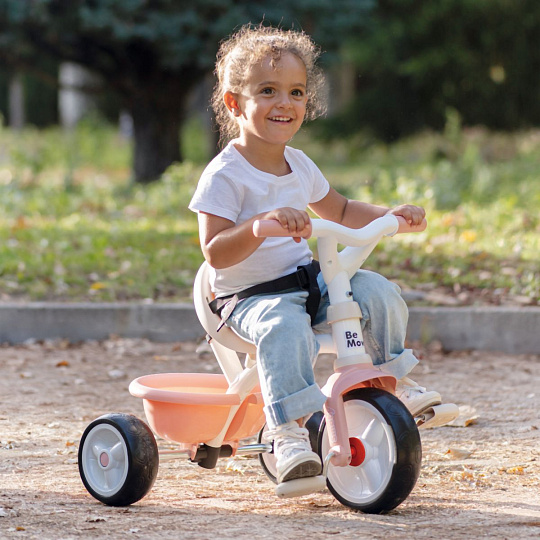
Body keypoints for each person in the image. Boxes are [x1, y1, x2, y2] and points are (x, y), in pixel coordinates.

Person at [189, 24, 443, 486]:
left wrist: (389, 214)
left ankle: (390, 381)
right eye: (268, 90)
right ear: (234, 103)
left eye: (296, 91)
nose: (284, 103)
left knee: (375, 290)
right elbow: (215, 252)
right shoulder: (225, 175)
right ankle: (287, 432)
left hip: (305, 282)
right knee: (283, 326)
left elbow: (341, 210)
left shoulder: (300, 164)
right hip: (247, 299)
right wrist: (259, 225)